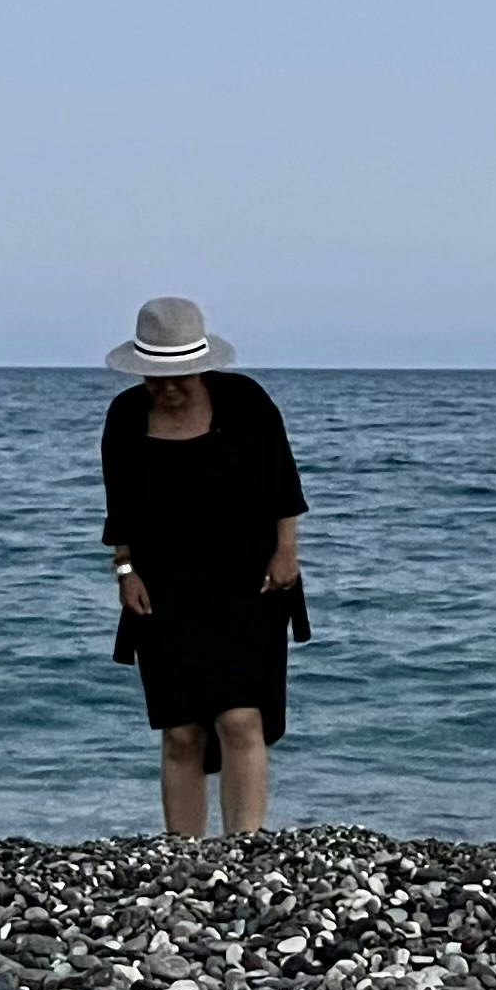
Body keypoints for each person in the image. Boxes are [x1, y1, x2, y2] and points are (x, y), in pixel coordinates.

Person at [101, 298, 310, 838]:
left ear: (202, 365)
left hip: (249, 579)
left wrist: (286, 552)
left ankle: (244, 845)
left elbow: (284, 487)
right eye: (157, 376)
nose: (169, 388)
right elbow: (119, 510)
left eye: (181, 376)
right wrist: (125, 573)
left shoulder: (247, 403)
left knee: (241, 717)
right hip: (164, 585)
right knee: (181, 730)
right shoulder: (125, 417)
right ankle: (183, 853)